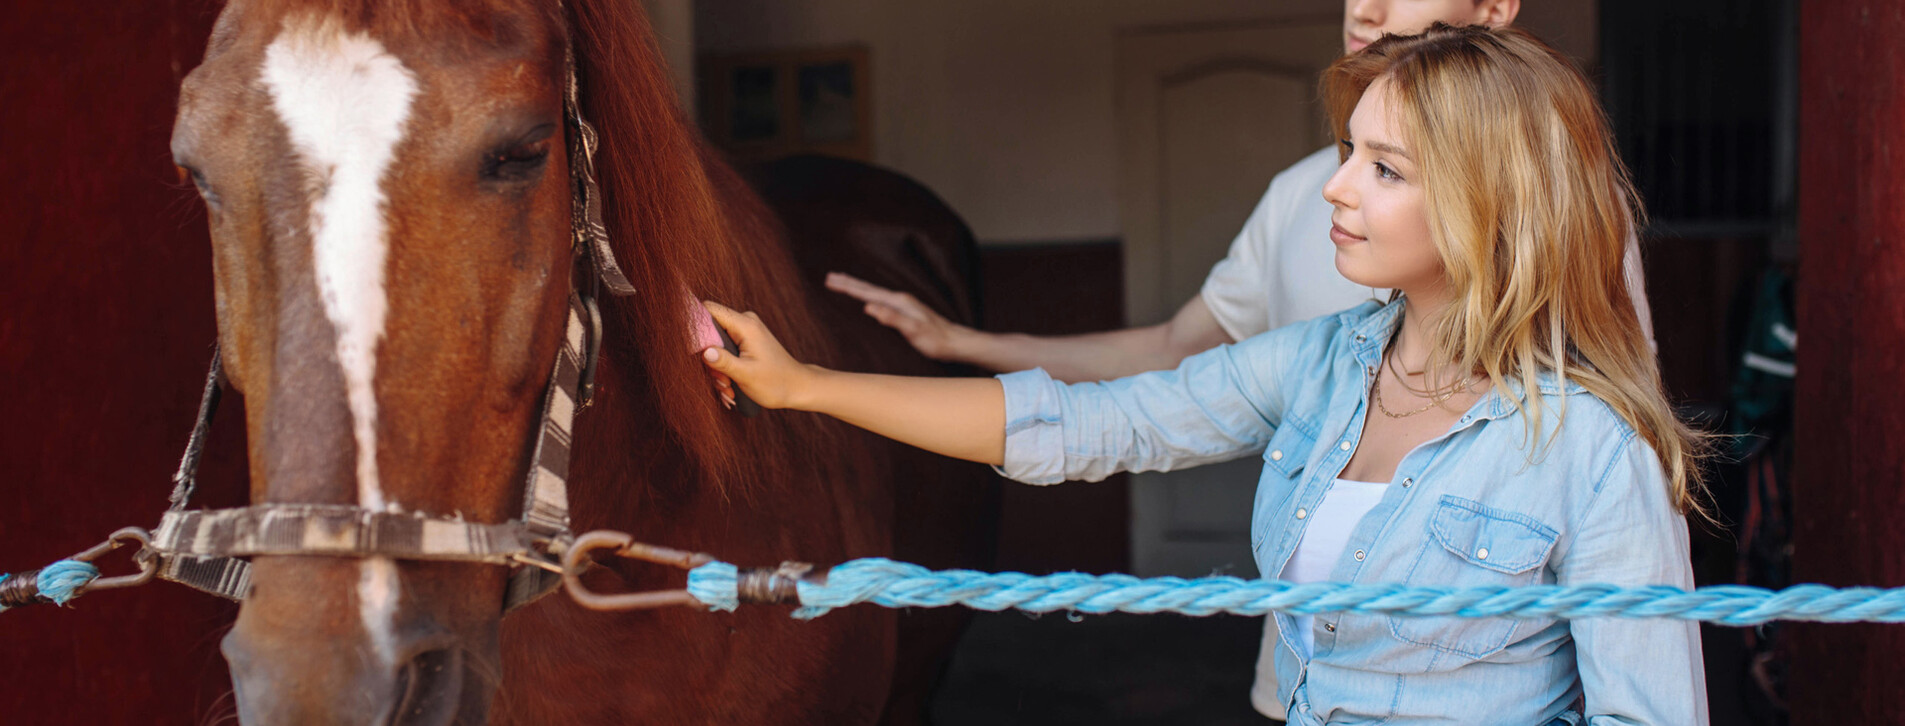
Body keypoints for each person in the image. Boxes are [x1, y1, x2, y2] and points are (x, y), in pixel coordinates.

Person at [701, 24, 1708, 725]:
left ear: (1492, 205)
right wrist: (809, 387)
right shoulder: (1322, 365)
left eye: (1386, 169)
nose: (1340, 188)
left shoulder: (1592, 444)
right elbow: (1086, 427)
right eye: (1349, 152)